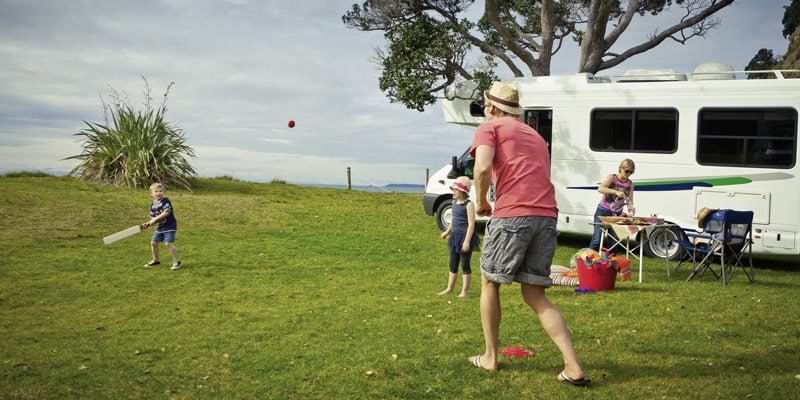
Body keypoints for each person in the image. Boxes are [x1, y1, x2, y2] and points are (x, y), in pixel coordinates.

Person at [468, 82, 589, 386]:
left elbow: (482, 168)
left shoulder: (489, 127)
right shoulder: (534, 135)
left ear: (492, 107)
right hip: (547, 217)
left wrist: (482, 201)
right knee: (535, 293)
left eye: (486, 104)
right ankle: (573, 366)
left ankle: (490, 357)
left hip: (514, 215)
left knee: (490, 282)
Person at [438, 176, 479, 297]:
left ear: (462, 191)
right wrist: (447, 231)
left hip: (465, 238)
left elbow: (471, 224)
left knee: (465, 265)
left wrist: (466, 241)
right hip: (455, 238)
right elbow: (453, 220)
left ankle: (464, 291)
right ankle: (450, 288)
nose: (453, 192)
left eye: (455, 190)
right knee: (453, 264)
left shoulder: (468, 204)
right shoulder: (454, 203)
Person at [588, 159, 636, 252]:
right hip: (603, 211)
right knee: (597, 239)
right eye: (627, 171)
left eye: (631, 172)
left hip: (617, 214)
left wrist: (631, 208)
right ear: (620, 168)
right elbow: (600, 188)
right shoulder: (612, 178)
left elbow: (630, 200)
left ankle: (610, 264)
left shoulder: (630, 184)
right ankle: (588, 260)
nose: (628, 174)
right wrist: (615, 192)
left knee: (614, 241)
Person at [141, 182, 182, 270]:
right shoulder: (152, 205)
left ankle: (177, 261)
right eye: (156, 191)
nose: (159, 193)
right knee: (153, 243)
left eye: (161, 191)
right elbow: (154, 219)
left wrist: (154, 220)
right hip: (161, 227)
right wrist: (148, 223)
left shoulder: (165, 201)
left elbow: (166, 213)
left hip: (170, 226)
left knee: (168, 243)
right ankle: (156, 260)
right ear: (151, 194)